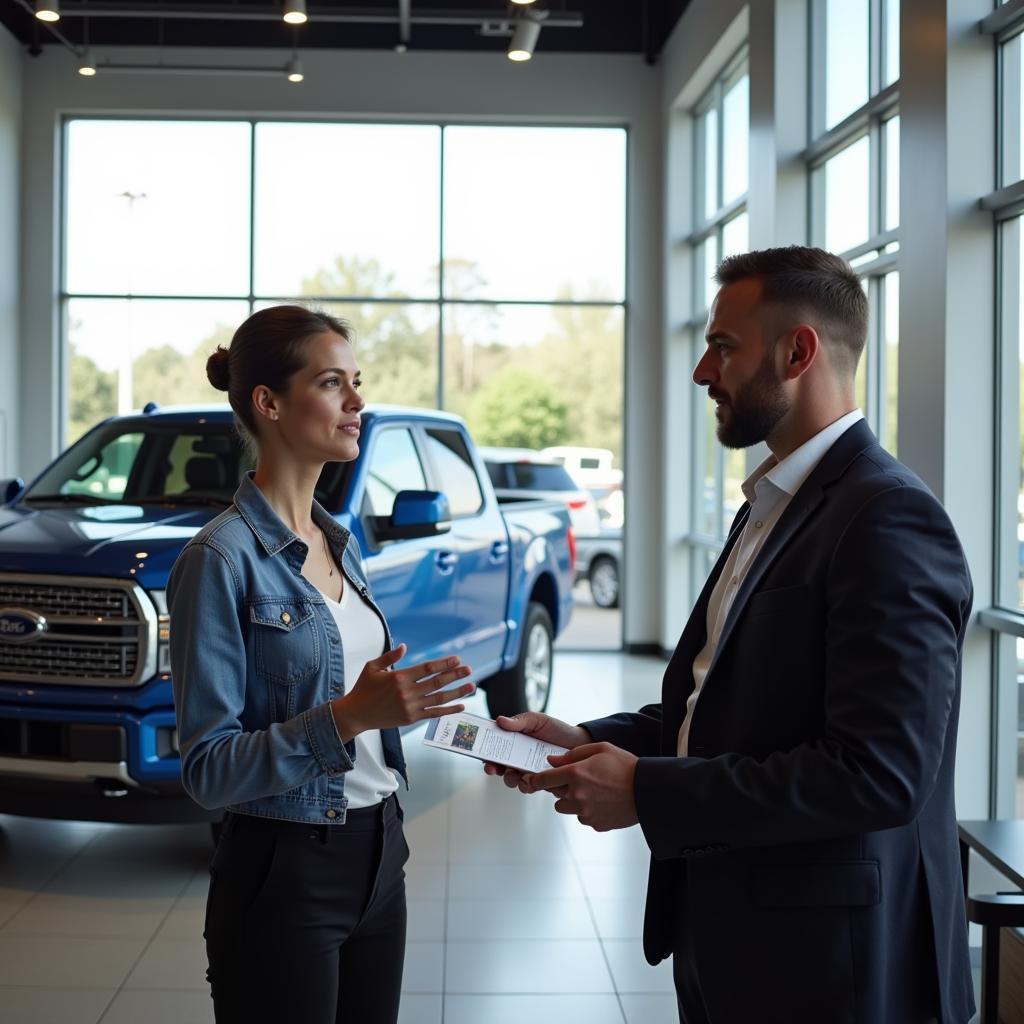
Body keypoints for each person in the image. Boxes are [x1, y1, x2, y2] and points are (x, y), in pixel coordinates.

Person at [486, 247, 975, 1024]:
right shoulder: (770, 503)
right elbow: (727, 707)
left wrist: (646, 790)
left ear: (797, 351)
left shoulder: (887, 517)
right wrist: (584, 739)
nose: (702, 373)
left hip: (833, 964)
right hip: (738, 930)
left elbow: (880, 773)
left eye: (721, 347)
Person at [167, 305, 475, 1024]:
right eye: (333, 383)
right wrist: (349, 717)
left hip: (379, 853)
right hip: (284, 869)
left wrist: (463, 726)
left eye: (356, 381)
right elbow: (209, 770)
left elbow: (361, 702)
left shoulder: (338, 542)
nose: (357, 402)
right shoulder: (218, 560)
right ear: (268, 403)